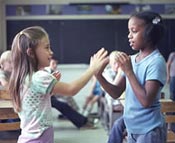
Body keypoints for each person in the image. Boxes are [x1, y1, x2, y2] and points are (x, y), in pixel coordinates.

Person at [8, 26, 108, 143]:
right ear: (30, 53)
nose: (51, 52)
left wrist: (51, 88)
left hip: (32, 138)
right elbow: (72, 89)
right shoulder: (38, 77)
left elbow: (36, 101)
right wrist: (92, 69)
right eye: (47, 47)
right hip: (38, 139)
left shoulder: (25, 77)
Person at [96, 11, 167, 143]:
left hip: (149, 130)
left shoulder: (156, 62)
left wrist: (129, 71)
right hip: (133, 128)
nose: (129, 36)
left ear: (149, 33)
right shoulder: (131, 60)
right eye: (129, 31)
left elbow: (146, 101)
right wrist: (98, 75)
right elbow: (116, 92)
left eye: (134, 31)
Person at [46, 57, 98, 129]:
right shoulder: (45, 73)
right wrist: (92, 68)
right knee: (63, 105)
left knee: (65, 102)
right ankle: (82, 121)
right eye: (53, 63)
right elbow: (71, 89)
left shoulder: (51, 72)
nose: (55, 65)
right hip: (47, 97)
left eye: (56, 64)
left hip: (49, 96)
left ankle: (81, 118)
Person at [166, 51, 175, 132]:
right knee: (172, 99)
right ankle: (169, 125)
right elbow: (168, 64)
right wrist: (168, 76)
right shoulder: (173, 54)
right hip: (173, 77)